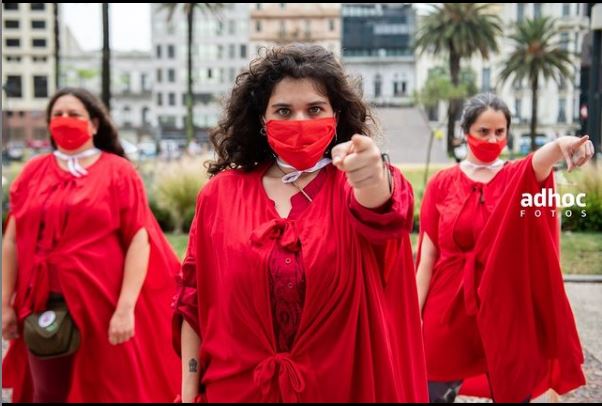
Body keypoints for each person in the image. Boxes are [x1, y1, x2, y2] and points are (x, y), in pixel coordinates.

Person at [171, 44, 428, 402]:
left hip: (340, 390)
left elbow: (387, 212)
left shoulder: (352, 186)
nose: (300, 122)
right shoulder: (219, 196)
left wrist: (370, 175)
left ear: (336, 116)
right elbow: (193, 304)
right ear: (262, 120)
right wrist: (187, 394)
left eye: (315, 109)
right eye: (283, 110)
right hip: (237, 392)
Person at [2, 88, 181, 402]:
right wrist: (5, 303)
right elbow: (12, 240)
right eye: (57, 115)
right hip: (43, 306)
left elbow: (139, 239)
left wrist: (125, 309)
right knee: (47, 392)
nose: (64, 121)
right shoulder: (33, 172)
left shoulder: (118, 172)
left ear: (94, 124)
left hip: (104, 306)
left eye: (74, 115)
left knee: (108, 390)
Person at [416, 93, 593, 403]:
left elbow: (541, 161)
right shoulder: (441, 183)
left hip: (505, 305)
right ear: (465, 132)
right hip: (448, 305)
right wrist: (412, 317)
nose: (492, 138)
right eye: (484, 131)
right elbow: (427, 257)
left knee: (514, 387)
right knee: (431, 390)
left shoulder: (516, 177)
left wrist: (561, 143)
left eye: (500, 131)